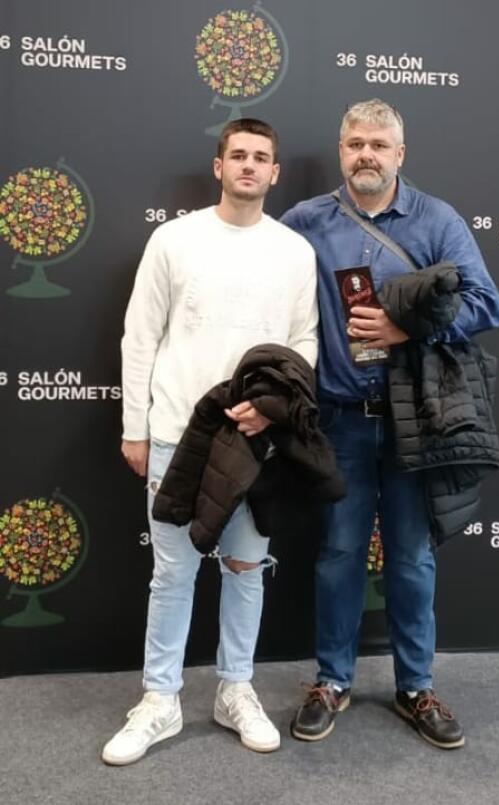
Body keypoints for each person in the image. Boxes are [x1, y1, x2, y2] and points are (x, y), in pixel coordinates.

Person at [281, 99, 499, 749]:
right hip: (340, 422)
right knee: (340, 555)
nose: (366, 154)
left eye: (379, 143)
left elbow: (487, 301)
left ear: (399, 154)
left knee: (410, 558)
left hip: (419, 421)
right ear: (341, 150)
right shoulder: (304, 222)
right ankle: (331, 680)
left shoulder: (438, 220)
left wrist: (409, 327)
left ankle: (416, 687)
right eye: (355, 143)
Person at [102, 118, 318, 764]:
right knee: (172, 574)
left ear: (275, 172)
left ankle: (235, 688)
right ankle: (160, 700)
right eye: (239, 155)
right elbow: (139, 335)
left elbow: (304, 344)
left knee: (247, 569)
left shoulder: (294, 252)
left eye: (262, 158)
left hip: (257, 444)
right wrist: (134, 428)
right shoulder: (174, 239)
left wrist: (274, 412)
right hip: (175, 435)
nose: (250, 166)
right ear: (219, 165)